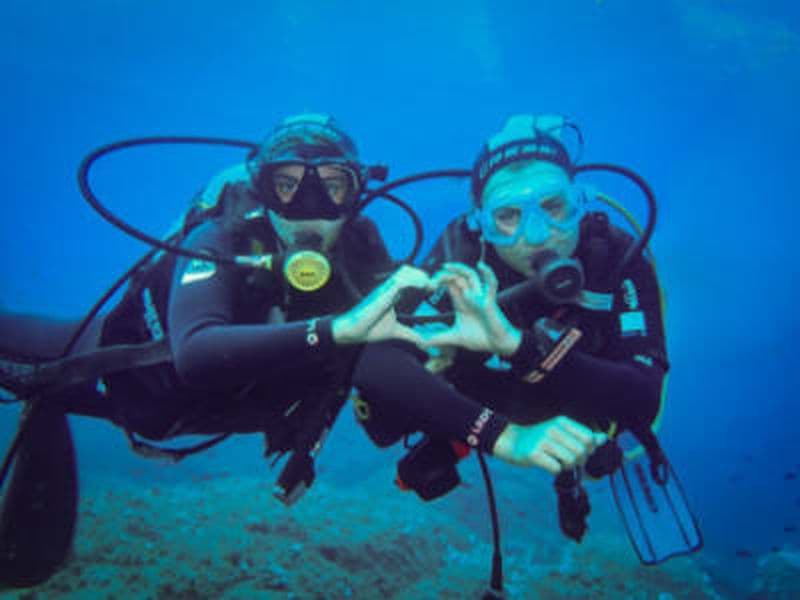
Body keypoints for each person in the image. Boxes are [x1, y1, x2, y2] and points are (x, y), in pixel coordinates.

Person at [0, 113, 435, 588]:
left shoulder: (363, 257)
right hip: (122, 372)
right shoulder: (220, 239)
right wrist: (340, 329)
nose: (309, 205)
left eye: (333, 185)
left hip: (213, 414)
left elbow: (411, 349)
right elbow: (196, 352)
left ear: (357, 194)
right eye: (285, 185)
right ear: (261, 190)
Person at [353, 113, 675, 547]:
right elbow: (375, 376)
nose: (539, 235)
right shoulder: (462, 259)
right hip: (488, 405)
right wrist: (495, 433)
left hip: (589, 404)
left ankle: (568, 474)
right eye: (508, 215)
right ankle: (460, 441)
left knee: (603, 436)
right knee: (398, 410)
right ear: (481, 222)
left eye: (554, 206)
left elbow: (643, 399)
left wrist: (514, 345)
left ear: (580, 201)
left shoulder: (614, 256)